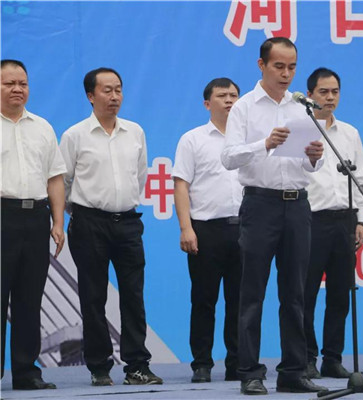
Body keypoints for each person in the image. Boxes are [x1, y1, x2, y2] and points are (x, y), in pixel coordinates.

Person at [221, 37, 327, 395]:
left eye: (292, 67)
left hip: (297, 205)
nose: (286, 74)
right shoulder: (244, 107)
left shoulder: (302, 107)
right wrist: (264, 144)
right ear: (261, 65)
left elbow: (311, 166)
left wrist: (313, 156)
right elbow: (228, 157)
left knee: (295, 293)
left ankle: (293, 371)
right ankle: (249, 371)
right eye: (279, 66)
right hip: (260, 205)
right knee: (252, 292)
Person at [59, 67, 163, 386]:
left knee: (133, 295)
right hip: (89, 223)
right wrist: (75, 214)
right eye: (107, 90)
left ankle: (137, 366)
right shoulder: (75, 135)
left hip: (128, 222)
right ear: (91, 96)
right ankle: (99, 367)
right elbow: (63, 182)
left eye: (118, 89)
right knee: (93, 297)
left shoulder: (135, 132)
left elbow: (140, 176)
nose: (114, 96)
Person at [172, 78, 242, 383]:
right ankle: (201, 363)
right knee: (203, 301)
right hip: (206, 230)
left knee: (240, 302)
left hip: (244, 230)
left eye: (234, 95)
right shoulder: (193, 139)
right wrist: (186, 228)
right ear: (207, 103)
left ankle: (238, 363)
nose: (229, 100)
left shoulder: (250, 139)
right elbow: (181, 185)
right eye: (222, 95)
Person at [1, 59, 65, 390]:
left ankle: (26, 372)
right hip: (2, 216)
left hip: (36, 217)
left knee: (30, 298)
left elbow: (55, 177)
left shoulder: (42, 127)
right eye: (9, 83)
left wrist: (58, 221)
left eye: (22, 83)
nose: (17, 89)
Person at [302, 68, 363, 380]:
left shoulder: (350, 133)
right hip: (311, 220)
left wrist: (361, 220)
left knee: (341, 294)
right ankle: (306, 357)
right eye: (323, 92)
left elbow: (360, 176)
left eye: (335, 92)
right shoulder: (300, 130)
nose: (330, 98)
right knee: (306, 294)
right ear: (310, 95)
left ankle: (333, 358)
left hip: (345, 219)